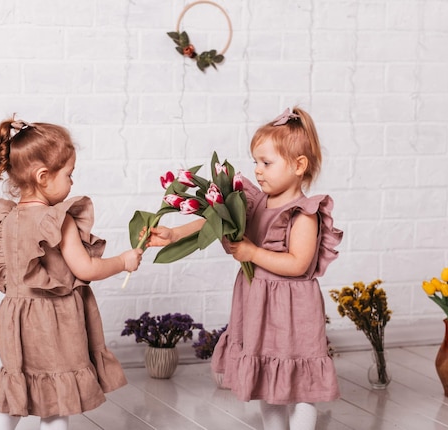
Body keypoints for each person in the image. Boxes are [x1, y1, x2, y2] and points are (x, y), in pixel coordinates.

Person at [145, 107, 343, 430]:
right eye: (255, 162)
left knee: (300, 388)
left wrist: (252, 252)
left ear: (298, 166)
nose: (258, 170)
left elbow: (297, 264)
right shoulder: (255, 201)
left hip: (293, 313)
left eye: (266, 163)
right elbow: (214, 219)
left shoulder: (304, 214)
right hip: (260, 309)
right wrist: (174, 234)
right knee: (267, 381)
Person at [0, 116, 143, 430]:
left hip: (15, 320)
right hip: (53, 321)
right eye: (68, 174)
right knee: (56, 399)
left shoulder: (7, 220)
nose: (72, 182)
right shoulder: (58, 219)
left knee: (16, 389)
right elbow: (86, 268)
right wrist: (124, 261)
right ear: (43, 176)